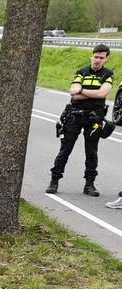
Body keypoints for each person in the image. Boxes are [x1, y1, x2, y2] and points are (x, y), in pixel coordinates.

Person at [48, 43, 113, 196]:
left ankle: (89, 184)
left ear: (105, 59)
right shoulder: (81, 72)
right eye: (96, 57)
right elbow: (73, 93)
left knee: (91, 152)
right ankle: (54, 181)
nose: (97, 60)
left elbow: (102, 94)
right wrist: (92, 92)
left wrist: (82, 90)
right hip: (74, 116)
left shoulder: (107, 74)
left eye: (101, 58)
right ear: (92, 55)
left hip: (94, 118)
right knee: (65, 150)